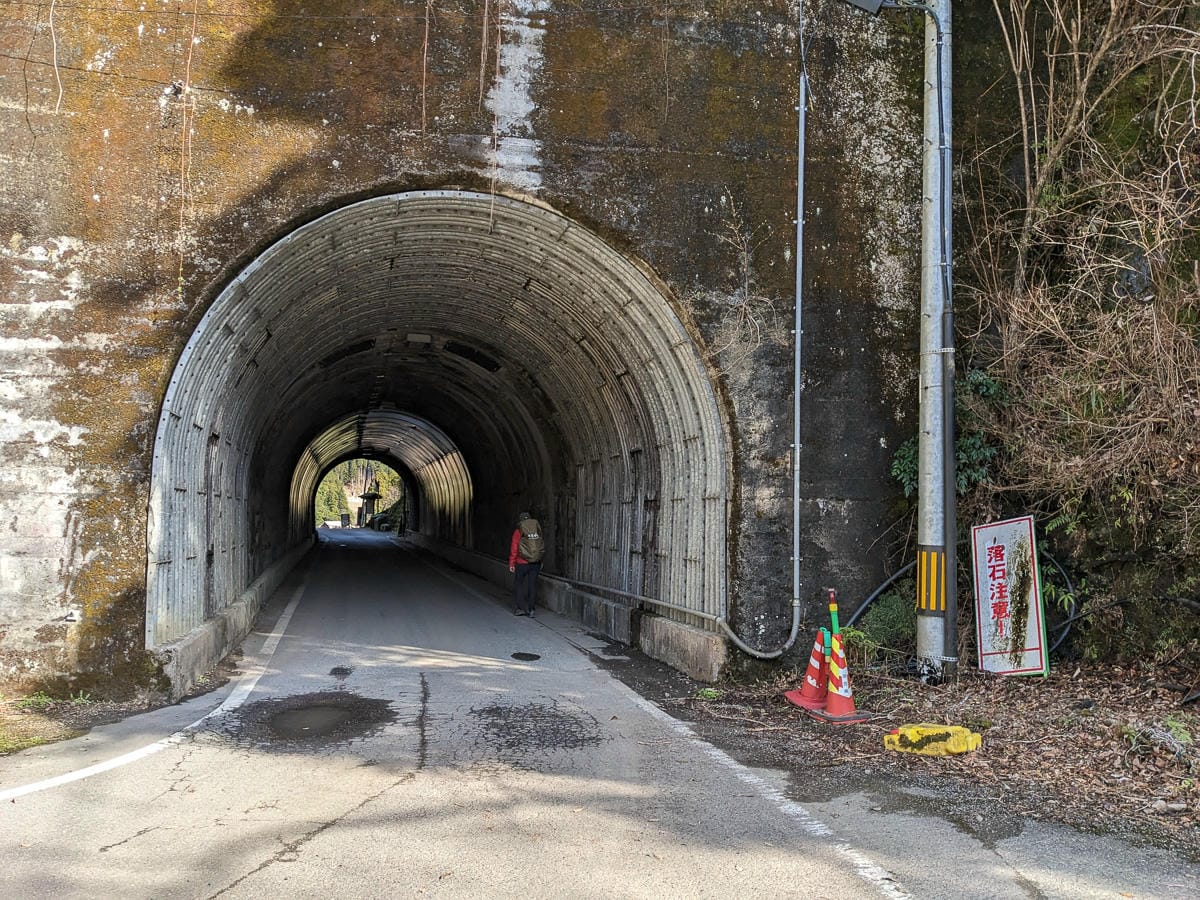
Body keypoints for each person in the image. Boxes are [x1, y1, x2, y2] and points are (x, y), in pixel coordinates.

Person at [508, 511, 544, 617]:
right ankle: (532, 609)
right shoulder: (537, 529)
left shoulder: (518, 530)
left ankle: (520, 609)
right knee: (532, 585)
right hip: (535, 563)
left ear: (520, 521)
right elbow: (540, 547)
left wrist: (511, 563)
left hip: (521, 562)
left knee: (519, 584)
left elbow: (514, 547)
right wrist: (541, 560)